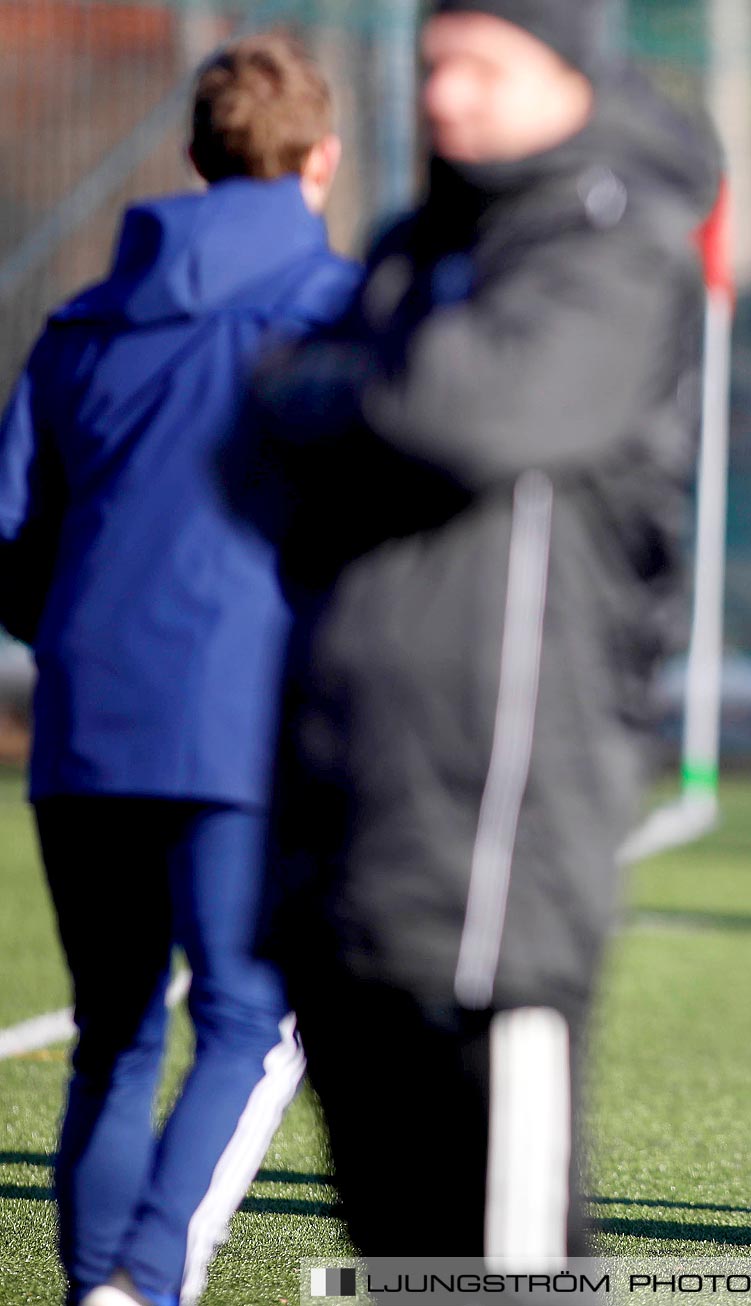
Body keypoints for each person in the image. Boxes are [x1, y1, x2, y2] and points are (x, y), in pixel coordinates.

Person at [228, 0, 718, 1261]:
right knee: (399, 1253)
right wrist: (353, 404)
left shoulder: (611, 238)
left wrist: (342, 400)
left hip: (498, 836)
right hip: (349, 815)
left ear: (567, 71)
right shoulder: (413, 244)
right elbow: (250, 438)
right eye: (435, 61)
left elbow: (475, 410)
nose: (446, 93)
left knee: (506, 1266)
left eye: (483, 64)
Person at [0, 34, 356, 1306]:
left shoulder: (81, 324)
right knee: (248, 1018)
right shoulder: (339, 313)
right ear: (321, 160)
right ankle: (143, 1281)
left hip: (88, 720)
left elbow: (12, 539)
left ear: (198, 156)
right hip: (246, 723)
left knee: (112, 1032)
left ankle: (100, 1282)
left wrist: (84, 646)